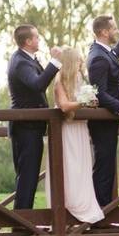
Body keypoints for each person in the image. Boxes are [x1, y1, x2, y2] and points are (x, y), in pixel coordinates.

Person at [47, 47, 105, 224]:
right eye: (79, 60)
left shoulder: (80, 79)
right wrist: (83, 102)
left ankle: (83, 207)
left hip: (81, 129)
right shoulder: (60, 80)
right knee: (70, 167)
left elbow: (82, 102)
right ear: (72, 62)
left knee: (83, 167)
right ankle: (68, 210)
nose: (82, 63)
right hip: (67, 130)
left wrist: (91, 102)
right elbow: (64, 106)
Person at [7, 23, 62, 210]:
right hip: (25, 127)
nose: (39, 40)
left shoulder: (27, 58)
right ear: (28, 41)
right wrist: (54, 62)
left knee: (29, 174)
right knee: (27, 175)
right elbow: (37, 84)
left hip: (31, 126)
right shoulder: (21, 62)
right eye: (37, 37)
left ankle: (24, 219)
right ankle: (23, 220)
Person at [86, 15, 119, 207]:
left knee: (107, 164)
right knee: (104, 165)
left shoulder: (103, 51)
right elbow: (100, 93)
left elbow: (116, 53)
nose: (116, 31)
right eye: (114, 29)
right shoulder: (98, 57)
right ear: (104, 32)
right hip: (103, 120)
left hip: (109, 118)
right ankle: (101, 212)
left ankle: (104, 210)